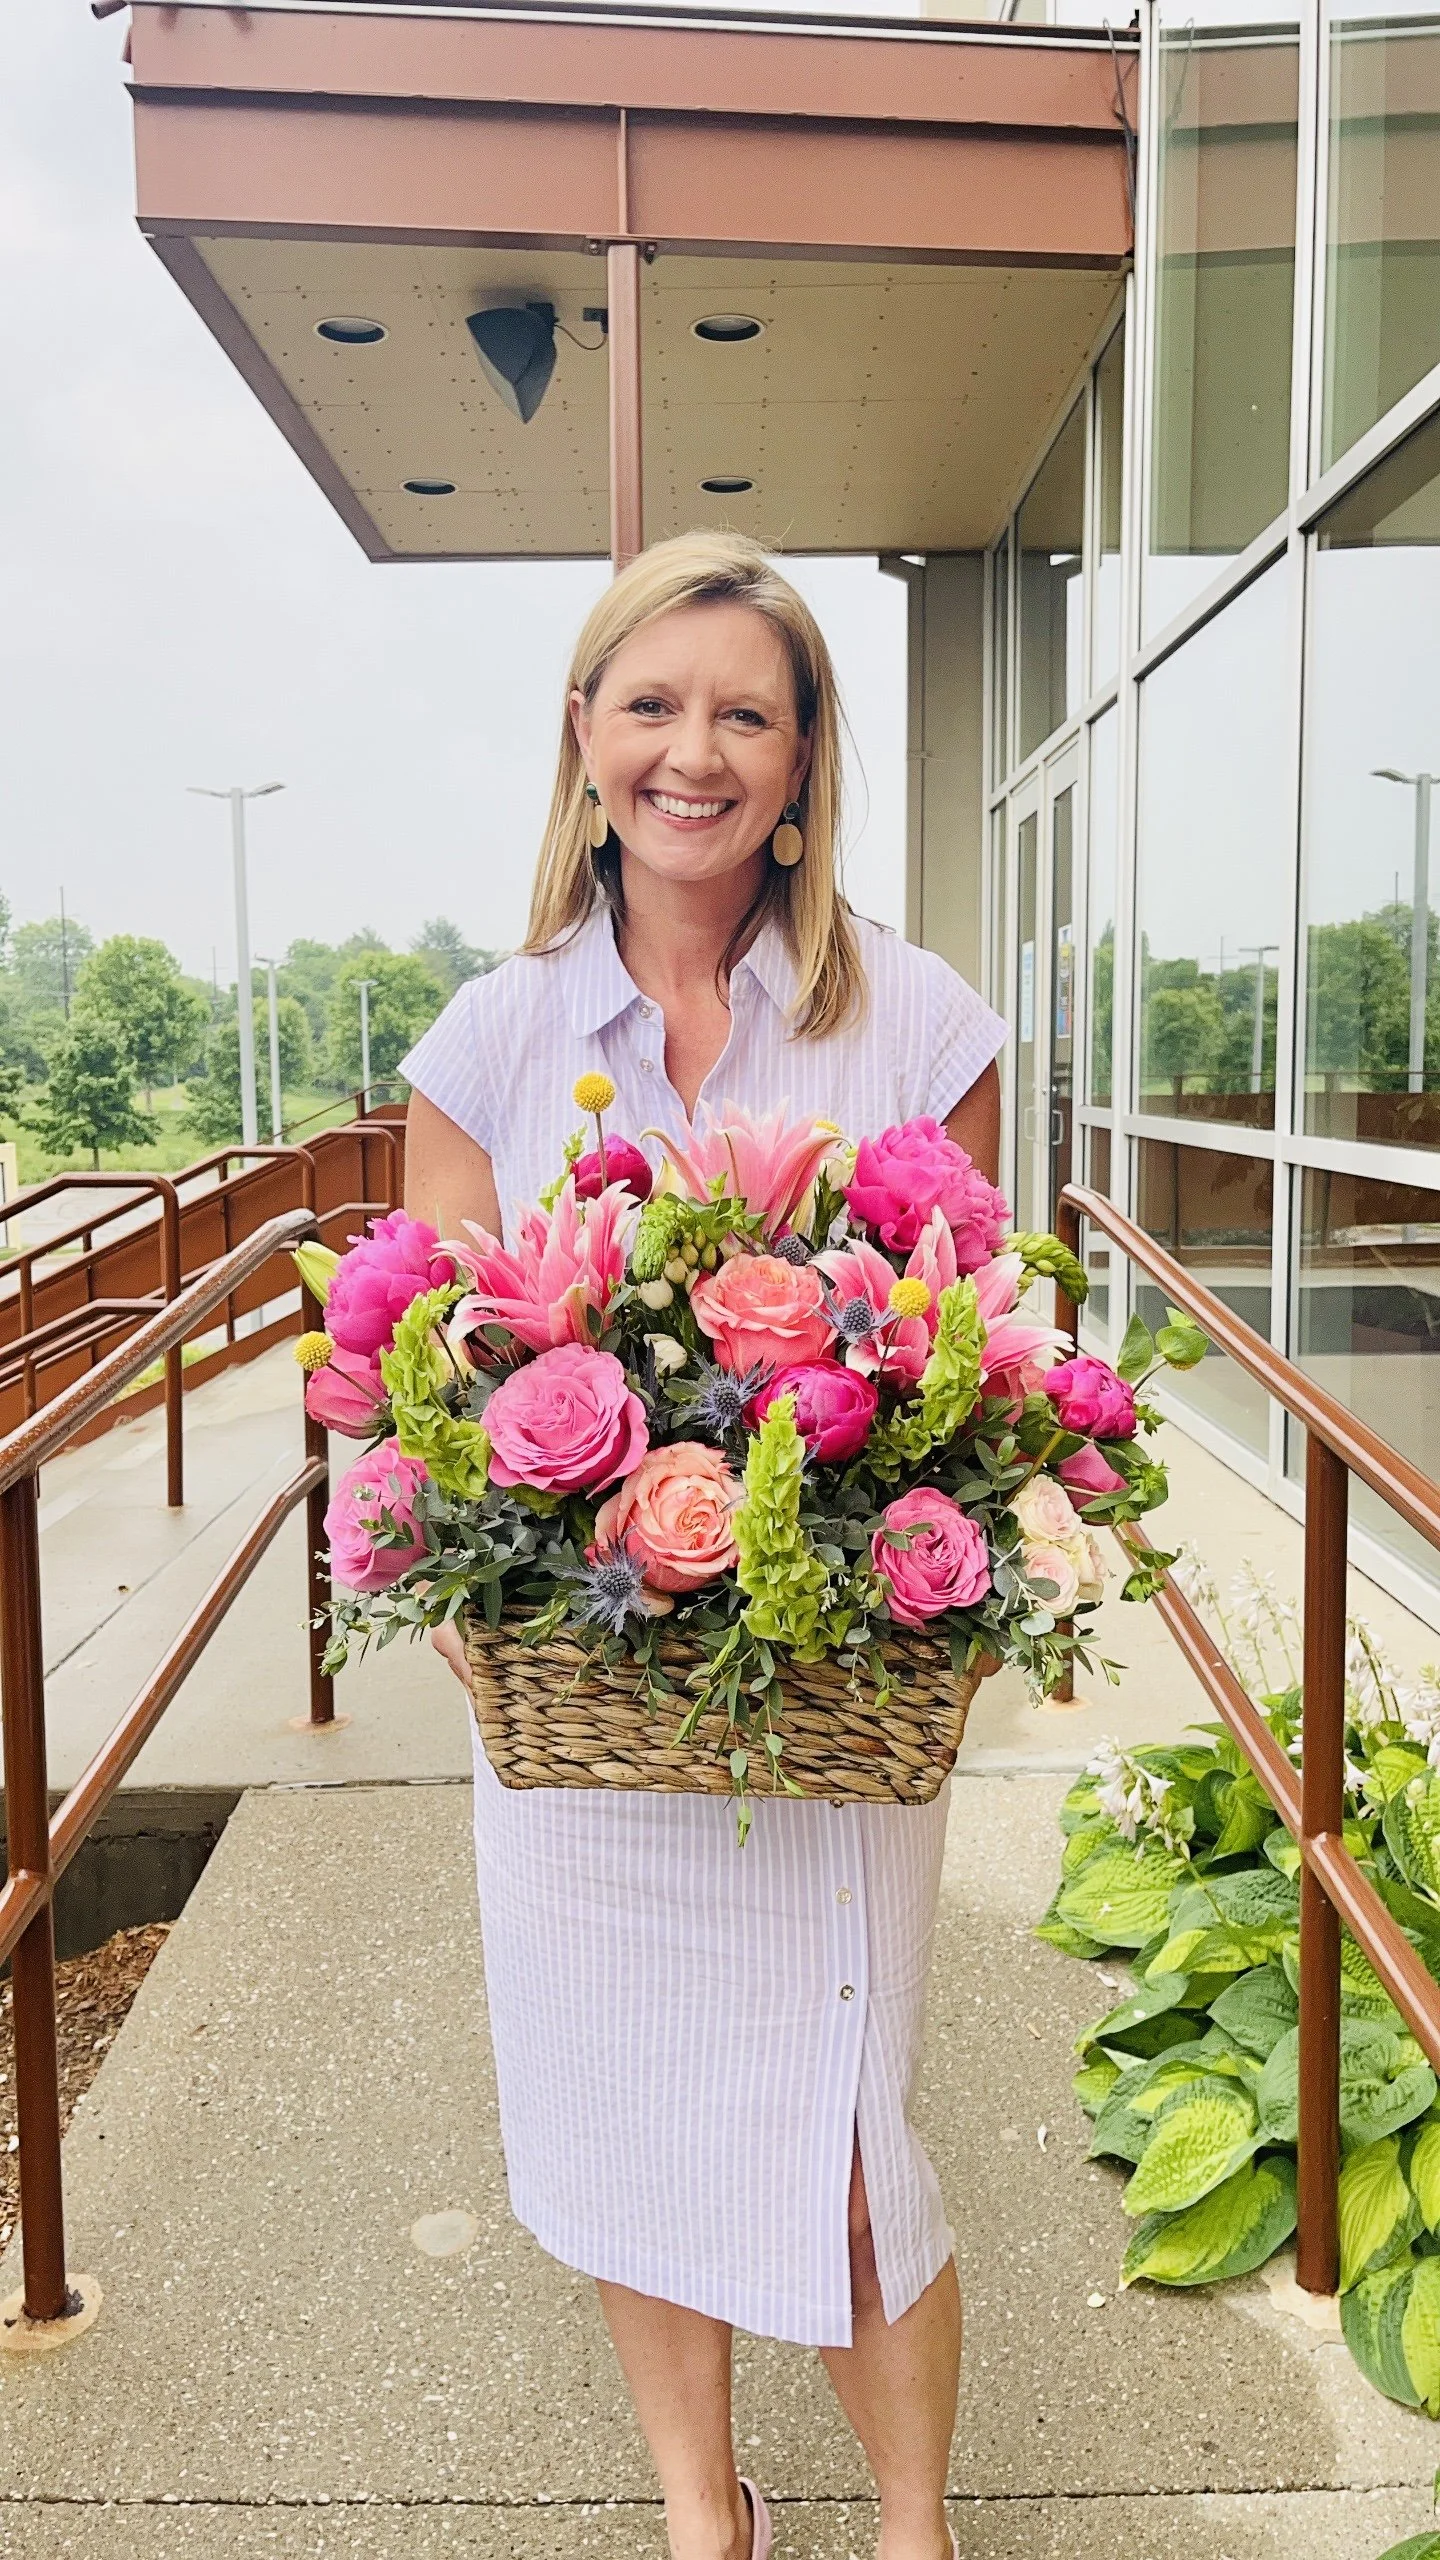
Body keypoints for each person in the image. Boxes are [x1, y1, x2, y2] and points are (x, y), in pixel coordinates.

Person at [400, 532, 1004, 2560]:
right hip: (581, 1727)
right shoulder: (492, 1040)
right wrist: (451, 1595)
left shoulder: (916, 1022)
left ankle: (912, 2526)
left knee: (847, 2147)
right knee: (629, 2129)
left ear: (806, 757)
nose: (696, 751)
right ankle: (703, 2515)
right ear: (584, 736)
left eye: (748, 712)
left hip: (826, 1713)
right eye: (652, 704)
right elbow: (418, 1385)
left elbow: (988, 1353)